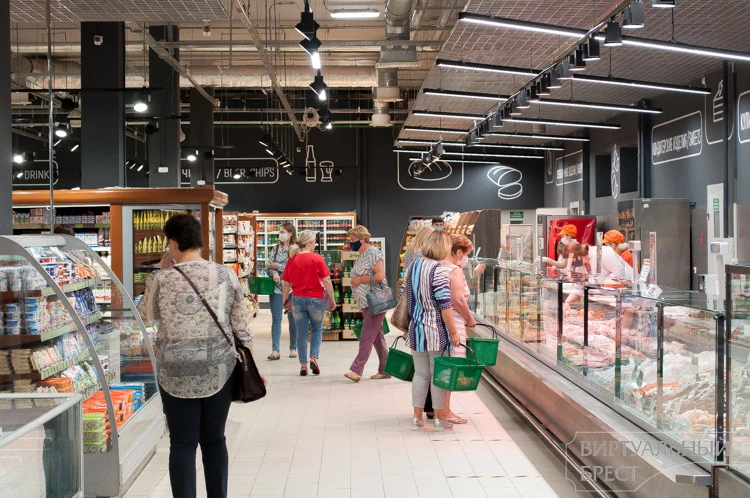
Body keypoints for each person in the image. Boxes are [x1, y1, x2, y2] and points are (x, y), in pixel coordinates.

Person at [137, 214, 261, 498]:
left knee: (182, 444)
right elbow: (241, 327)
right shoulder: (225, 274)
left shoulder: (161, 278)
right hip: (219, 369)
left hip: (175, 372)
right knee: (215, 440)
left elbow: (145, 315)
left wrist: (162, 270)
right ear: (199, 241)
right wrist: (253, 366)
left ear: (172, 243)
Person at [403, 231, 460, 432]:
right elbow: (445, 306)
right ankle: (438, 418)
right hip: (436, 331)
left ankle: (416, 418)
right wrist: (453, 332)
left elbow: (405, 297)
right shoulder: (439, 271)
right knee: (438, 375)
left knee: (420, 374)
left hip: (416, 329)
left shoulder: (412, 267)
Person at [282, 230, 336, 376]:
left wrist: (284, 301)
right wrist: (332, 298)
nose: (315, 245)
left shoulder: (291, 260)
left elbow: (286, 284)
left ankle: (303, 365)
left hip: (297, 299)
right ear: (310, 243)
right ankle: (313, 357)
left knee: (301, 333)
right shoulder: (317, 259)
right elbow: (326, 280)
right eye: (314, 242)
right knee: (317, 330)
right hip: (316, 299)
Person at [344, 226, 391, 382]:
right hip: (366, 302)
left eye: (353, 239)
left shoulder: (373, 253)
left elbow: (380, 276)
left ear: (362, 239)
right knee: (377, 336)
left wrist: (360, 279)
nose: (350, 242)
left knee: (366, 335)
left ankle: (356, 370)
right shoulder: (362, 254)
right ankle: (385, 369)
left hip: (375, 302)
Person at [440, 235, 477, 424]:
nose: (467, 258)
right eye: (467, 254)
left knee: (440, 367)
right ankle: (445, 411)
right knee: (450, 368)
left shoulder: (438, 266)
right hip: (453, 322)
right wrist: (469, 319)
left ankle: (438, 409)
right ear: (459, 252)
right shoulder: (454, 270)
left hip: (442, 323)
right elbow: (458, 300)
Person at [265, 222, 298, 360]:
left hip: (292, 289)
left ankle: (293, 348)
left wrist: (278, 266)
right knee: (276, 319)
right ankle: (275, 350)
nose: (280, 234)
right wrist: (274, 273)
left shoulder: (296, 249)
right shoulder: (275, 248)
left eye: (283, 232)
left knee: (293, 319)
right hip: (277, 288)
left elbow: (295, 268)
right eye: (280, 232)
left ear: (290, 233)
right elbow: (268, 266)